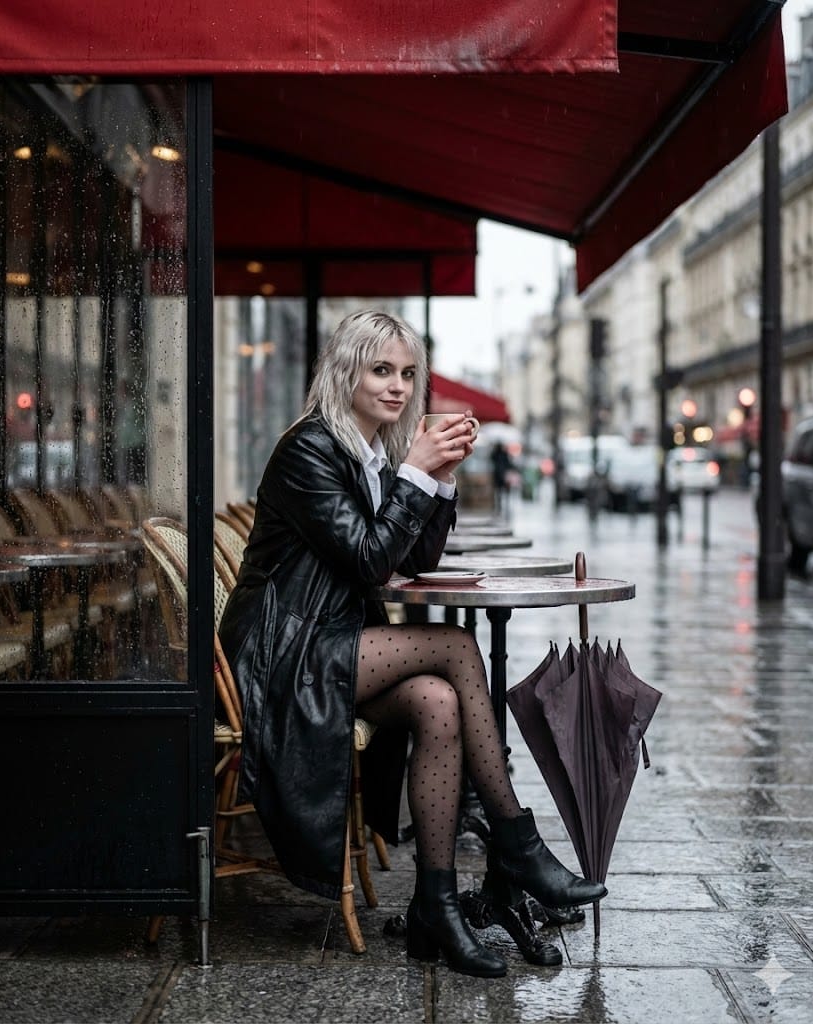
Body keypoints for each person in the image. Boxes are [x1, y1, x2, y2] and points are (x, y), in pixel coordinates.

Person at [218, 310, 605, 979]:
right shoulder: (309, 448)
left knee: (437, 702)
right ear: (345, 373)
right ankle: (517, 843)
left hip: (329, 641)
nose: (398, 386)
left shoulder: (368, 453)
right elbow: (373, 562)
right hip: (281, 655)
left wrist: (440, 476)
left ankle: (436, 904)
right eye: (380, 370)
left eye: (406, 373)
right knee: (454, 647)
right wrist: (415, 475)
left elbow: (414, 559)